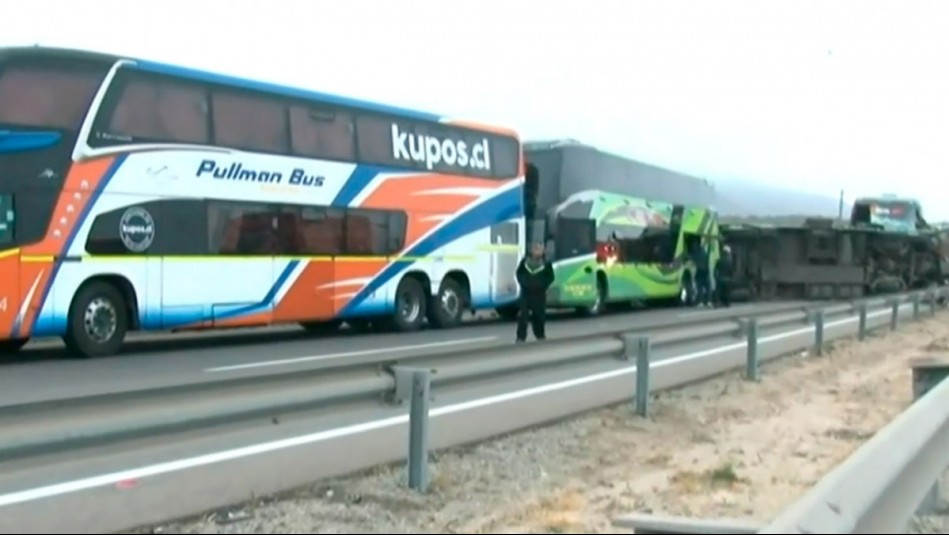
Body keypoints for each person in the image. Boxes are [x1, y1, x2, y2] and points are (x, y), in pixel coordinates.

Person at [515, 242, 555, 342]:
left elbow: (550, 277)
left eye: (539, 249)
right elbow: (519, 273)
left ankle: (540, 335)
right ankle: (521, 337)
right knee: (523, 316)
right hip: (526, 293)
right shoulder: (525, 262)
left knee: (539, 316)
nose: (537, 251)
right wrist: (524, 283)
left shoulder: (546, 263)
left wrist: (542, 285)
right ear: (531, 250)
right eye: (535, 249)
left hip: (539, 294)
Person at [691, 240, 712, 307]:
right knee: (708, 288)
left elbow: (692, 259)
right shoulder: (705, 254)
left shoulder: (696, 254)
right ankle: (708, 301)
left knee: (700, 289)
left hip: (699, 272)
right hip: (706, 272)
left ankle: (701, 302)